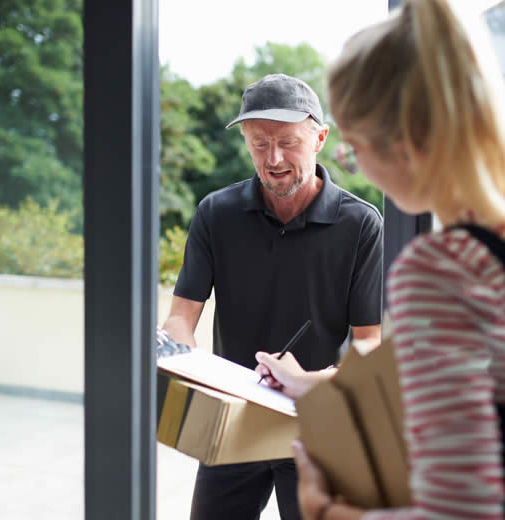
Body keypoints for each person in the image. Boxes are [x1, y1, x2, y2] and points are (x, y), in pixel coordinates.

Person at [263, 1, 505, 519]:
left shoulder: (441, 269)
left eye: (355, 149)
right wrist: (309, 384)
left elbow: (459, 514)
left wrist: (327, 512)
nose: (356, 166)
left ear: (407, 144)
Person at [162, 73, 384, 520]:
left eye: (288, 142)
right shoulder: (215, 214)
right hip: (230, 422)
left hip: (317, 428)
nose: (274, 158)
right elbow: (181, 316)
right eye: (259, 143)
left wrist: (313, 379)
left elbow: (369, 346)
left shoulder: (361, 225)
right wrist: (176, 354)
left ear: (320, 138)